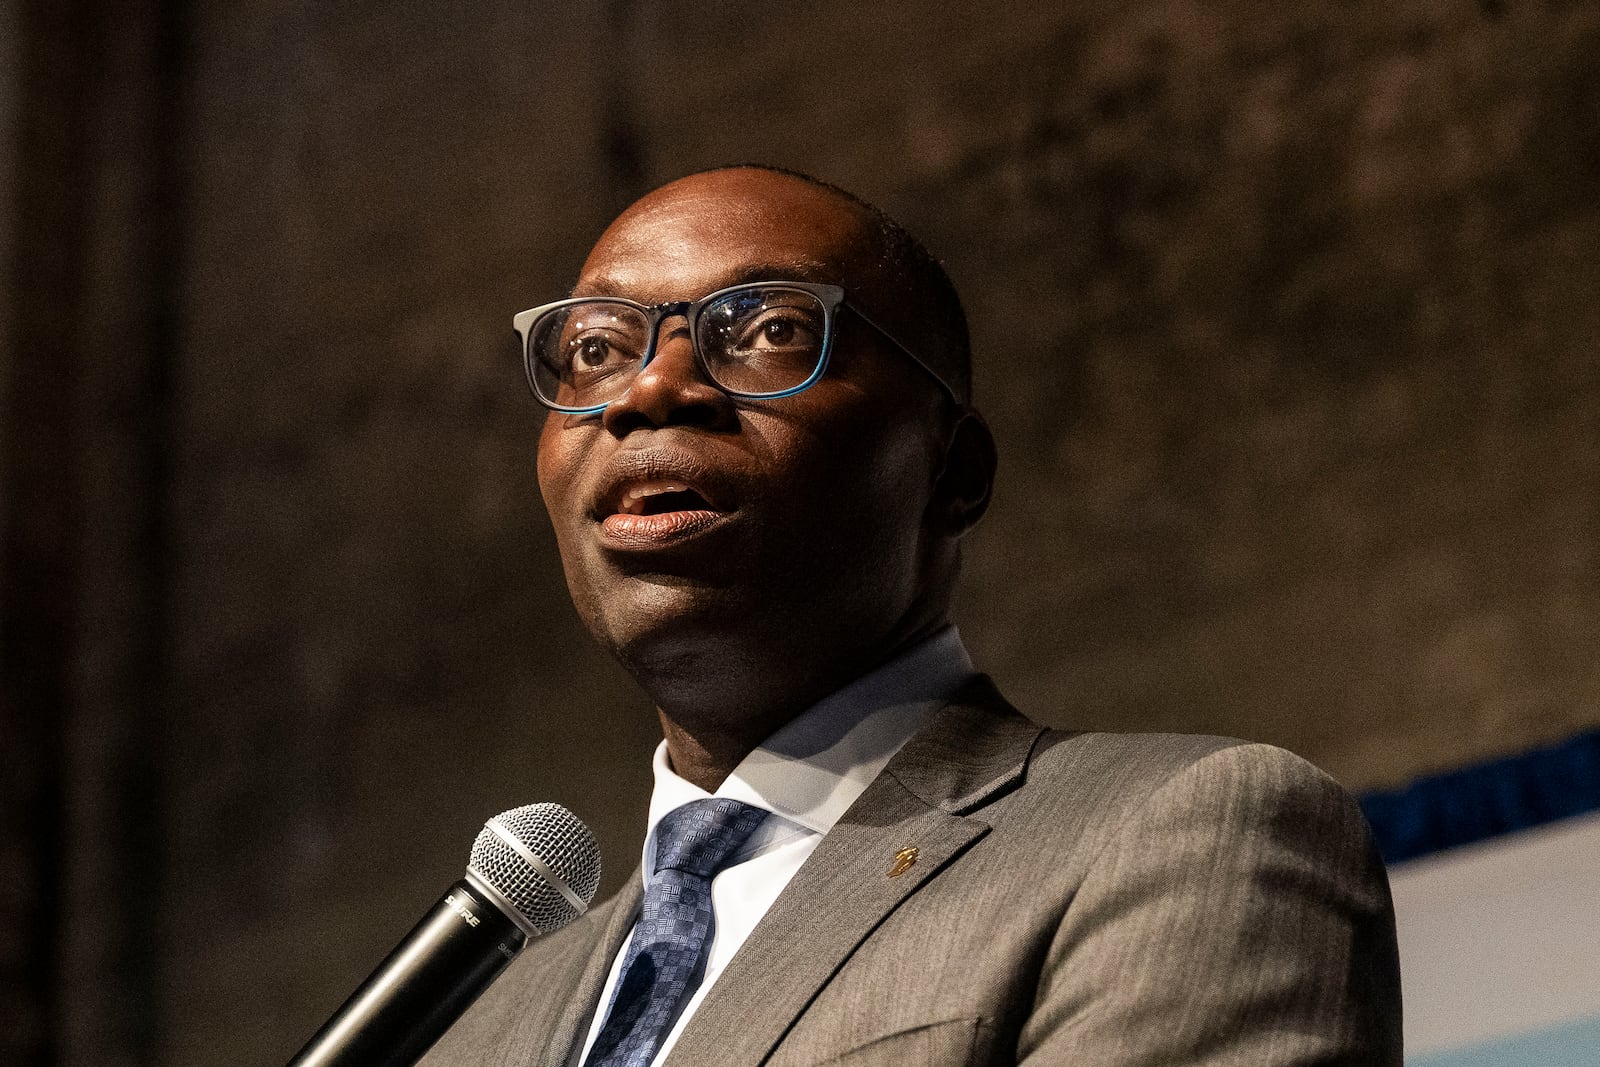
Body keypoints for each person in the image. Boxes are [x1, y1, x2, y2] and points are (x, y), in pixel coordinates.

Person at [422, 165, 1402, 1066]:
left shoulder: (1178, 836)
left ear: (953, 469)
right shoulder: (474, 1019)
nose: (652, 387)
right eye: (595, 347)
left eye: (767, 330)